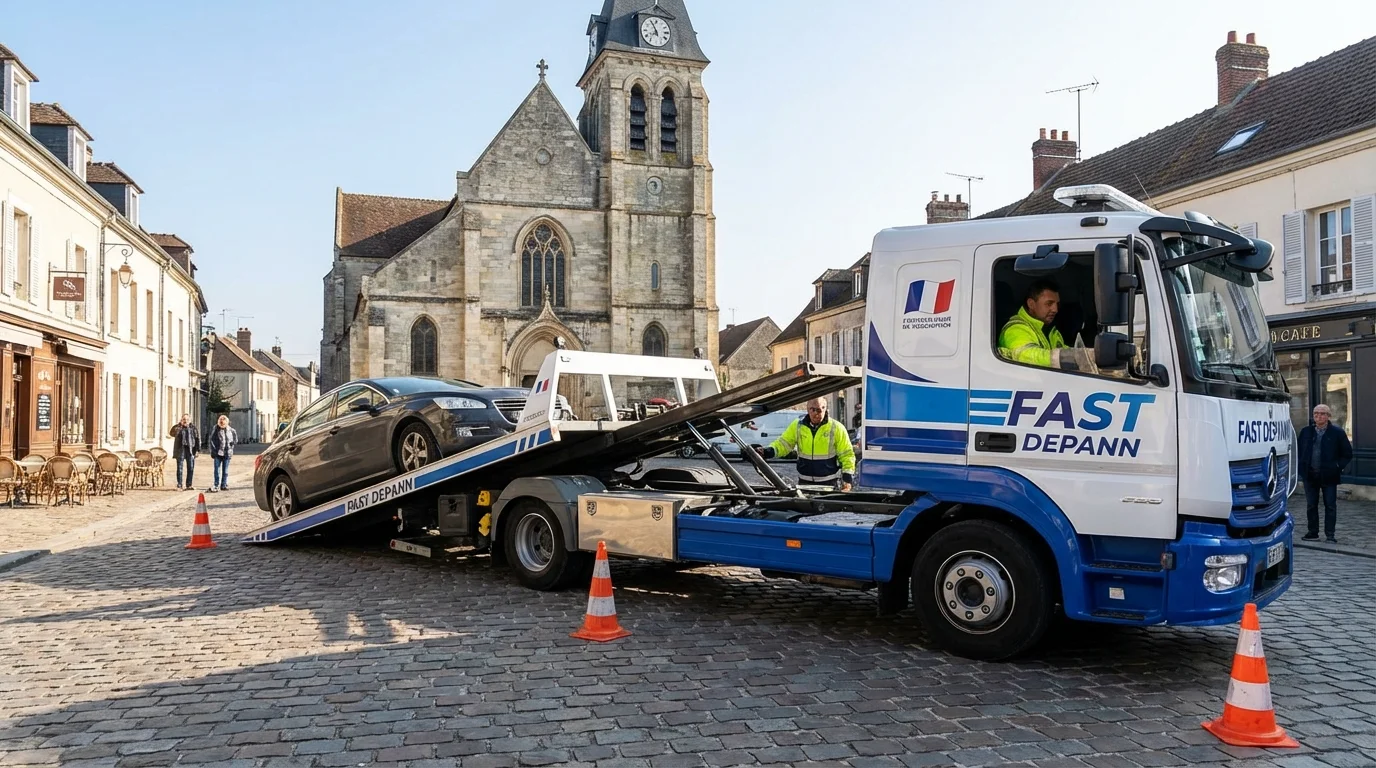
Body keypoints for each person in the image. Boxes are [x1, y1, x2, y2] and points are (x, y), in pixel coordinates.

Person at [755, 398, 856, 490]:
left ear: (826, 409)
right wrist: (768, 451)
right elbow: (784, 444)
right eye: (813, 409)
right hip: (804, 483)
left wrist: (847, 478)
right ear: (807, 409)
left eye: (822, 408)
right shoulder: (798, 426)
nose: (818, 413)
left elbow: (847, 455)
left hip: (829, 484)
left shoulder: (836, 428)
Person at [1297, 403, 1352, 543]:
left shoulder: (1337, 433)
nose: (1318, 416)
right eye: (1316, 413)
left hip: (1329, 475)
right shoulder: (1306, 432)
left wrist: (1337, 466)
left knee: (1330, 505)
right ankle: (1313, 532)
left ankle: (1330, 535)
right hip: (1310, 475)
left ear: (1328, 416)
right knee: (1311, 505)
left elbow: (1347, 454)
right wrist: (1302, 467)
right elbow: (1299, 450)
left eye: (1322, 413)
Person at [999, 279, 1073, 369]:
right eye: (1049, 303)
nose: (1055, 309)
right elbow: (1027, 355)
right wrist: (1068, 358)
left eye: (1057, 304)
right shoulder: (1015, 329)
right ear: (1031, 304)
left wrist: (1082, 354)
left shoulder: (1051, 331)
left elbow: (1063, 350)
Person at [207, 414, 237, 493]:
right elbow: (211, 440)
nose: (222, 424)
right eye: (221, 422)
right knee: (217, 470)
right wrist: (213, 450)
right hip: (218, 453)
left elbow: (235, 440)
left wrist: (231, 445)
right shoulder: (215, 429)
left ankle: (224, 485)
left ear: (227, 422)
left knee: (225, 470)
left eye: (224, 422)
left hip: (227, 453)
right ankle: (216, 484)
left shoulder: (231, 430)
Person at [170, 413, 201, 491]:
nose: (185, 421)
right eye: (184, 419)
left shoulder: (193, 428)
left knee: (190, 467)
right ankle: (179, 485)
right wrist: (179, 425)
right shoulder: (178, 428)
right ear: (181, 420)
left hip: (191, 449)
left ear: (190, 420)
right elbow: (171, 433)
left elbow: (197, 439)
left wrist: (197, 450)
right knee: (179, 468)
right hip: (181, 449)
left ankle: (189, 484)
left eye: (187, 419)